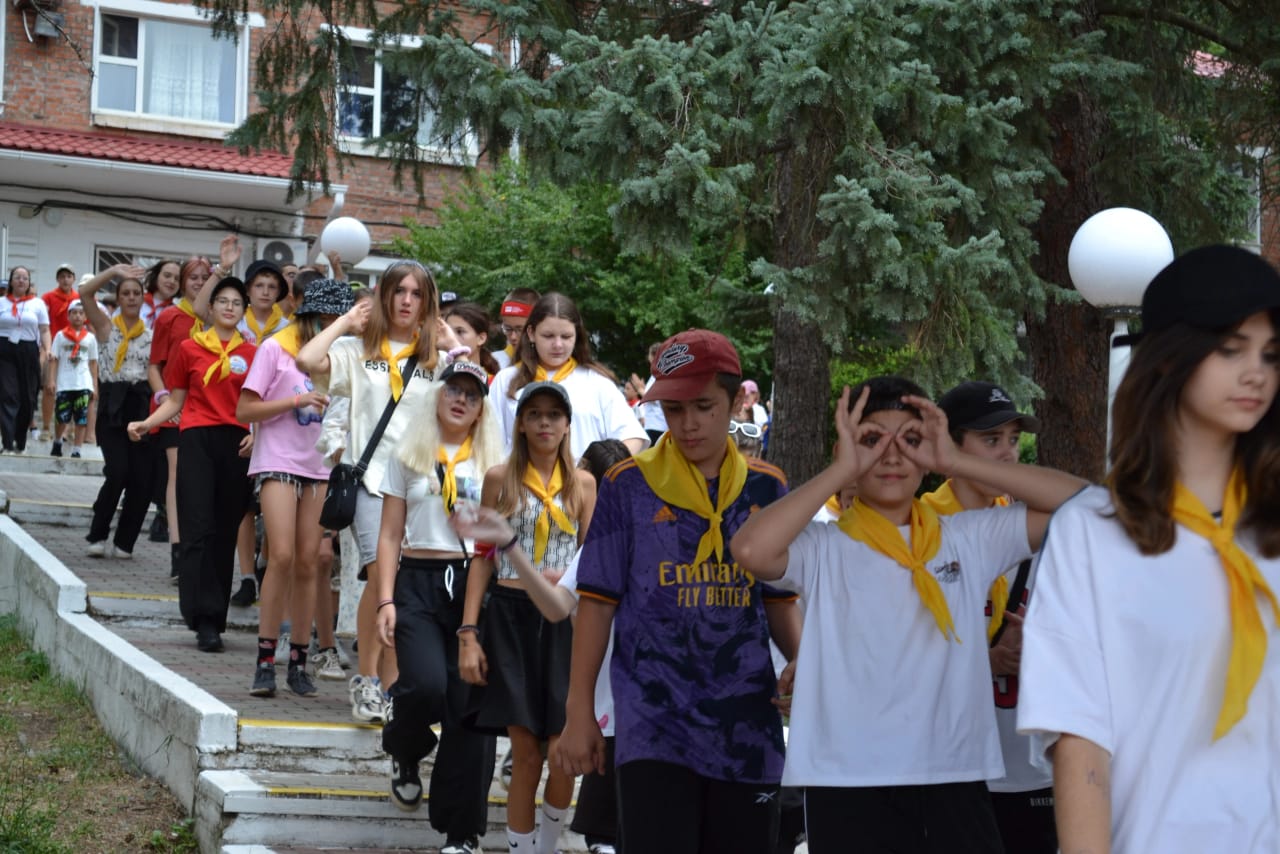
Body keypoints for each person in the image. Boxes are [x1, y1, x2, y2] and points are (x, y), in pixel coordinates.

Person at [728, 376, 1085, 854]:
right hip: (847, 778)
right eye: (872, 440)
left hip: (952, 773)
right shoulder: (824, 546)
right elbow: (750, 549)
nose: (892, 455)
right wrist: (840, 471)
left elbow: (1081, 503)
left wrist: (955, 462)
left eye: (911, 440)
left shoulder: (966, 537)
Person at [1018, 245, 1280, 854]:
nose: (1257, 373)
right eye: (1231, 348)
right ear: (1167, 357)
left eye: (1271, 354)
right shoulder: (1091, 534)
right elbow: (1079, 740)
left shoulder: (1269, 528)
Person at [556, 330, 802, 854]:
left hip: (746, 726)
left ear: (735, 403)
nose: (687, 423)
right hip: (653, 725)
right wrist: (579, 712)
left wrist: (805, 663)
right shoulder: (626, 484)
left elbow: (779, 599)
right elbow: (596, 605)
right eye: (673, 408)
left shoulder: (767, 486)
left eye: (704, 407)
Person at [453, 437, 631, 854]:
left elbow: (593, 560)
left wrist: (569, 587)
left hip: (566, 626)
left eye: (553, 415)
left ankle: (547, 846)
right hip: (511, 617)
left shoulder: (585, 489)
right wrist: (468, 631)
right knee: (526, 755)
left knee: (563, 756)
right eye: (535, 415)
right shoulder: (504, 478)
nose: (544, 424)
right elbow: (483, 556)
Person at [297, 260, 454, 724]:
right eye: (398, 291)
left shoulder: (436, 360)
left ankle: (391, 686)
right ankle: (366, 679)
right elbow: (307, 361)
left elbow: (471, 404)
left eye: (417, 294)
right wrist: (347, 319)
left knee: (403, 583)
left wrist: (453, 345)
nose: (407, 301)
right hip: (369, 482)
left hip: (419, 486)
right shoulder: (356, 349)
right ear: (383, 297)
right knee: (381, 574)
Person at [372, 360, 504, 854]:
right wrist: (386, 598)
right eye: (454, 389)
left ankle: (460, 832)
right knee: (425, 685)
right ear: (438, 394)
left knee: (469, 707)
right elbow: (389, 534)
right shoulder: (408, 454)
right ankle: (404, 747)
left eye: (472, 395)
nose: (461, 400)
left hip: (473, 583)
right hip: (419, 581)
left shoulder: (494, 463)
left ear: (481, 408)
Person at [923, 380, 1055, 854]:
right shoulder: (921, 529)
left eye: (1013, 440)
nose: (1007, 453)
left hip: (1026, 763)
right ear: (950, 446)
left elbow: (1082, 503)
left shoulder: (1029, 526)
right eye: (991, 439)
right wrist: (987, 659)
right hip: (946, 764)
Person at [238, 277, 354, 698]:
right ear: (311, 315)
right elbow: (245, 409)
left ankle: (300, 663)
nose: (333, 325)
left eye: (339, 319)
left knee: (310, 562)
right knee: (282, 555)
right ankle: (265, 661)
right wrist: (295, 401)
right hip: (277, 462)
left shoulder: (344, 357)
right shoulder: (276, 347)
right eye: (328, 318)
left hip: (321, 468)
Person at [129, 276, 256, 653]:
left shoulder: (254, 353)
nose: (230, 307)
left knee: (224, 531)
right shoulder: (189, 347)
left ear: (243, 311)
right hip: (197, 439)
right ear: (210, 308)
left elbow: (259, 402)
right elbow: (176, 399)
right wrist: (147, 423)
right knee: (197, 527)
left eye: (237, 303)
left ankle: (215, 616)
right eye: (223, 301)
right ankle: (200, 615)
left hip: (237, 444)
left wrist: (258, 434)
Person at [489, 292, 647, 459]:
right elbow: (489, 441)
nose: (558, 345)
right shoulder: (506, 381)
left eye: (566, 336)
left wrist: (601, 468)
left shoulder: (597, 383)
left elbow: (632, 436)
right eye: (548, 336)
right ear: (531, 333)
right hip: (519, 475)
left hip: (584, 476)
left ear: (577, 335)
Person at [148, 251, 217, 583]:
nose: (199, 283)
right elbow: (154, 366)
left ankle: (201, 549)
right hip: (175, 408)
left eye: (205, 278)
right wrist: (164, 398)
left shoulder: (220, 317)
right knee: (178, 477)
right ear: (182, 282)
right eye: (193, 278)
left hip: (211, 409)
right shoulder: (169, 317)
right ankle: (178, 551)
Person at [80, 265, 155, 559]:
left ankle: (125, 541)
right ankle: (98, 533)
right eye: (126, 293)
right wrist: (113, 271)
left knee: (142, 478)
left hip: (141, 405)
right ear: (119, 298)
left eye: (136, 293)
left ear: (143, 298)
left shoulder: (152, 335)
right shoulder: (105, 327)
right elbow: (85, 293)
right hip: (113, 406)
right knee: (117, 472)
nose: (132, 298)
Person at [0, 266, 50, 453]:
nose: (21, 280)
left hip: (28, 350)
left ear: (29, 283)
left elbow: (44, 329)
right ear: (11, 281)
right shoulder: (2, 302)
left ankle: (19, 441)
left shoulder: (37, 304)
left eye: (25, 278)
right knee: (8, 394)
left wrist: (47, 349)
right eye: (17, 277)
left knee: (28, 398)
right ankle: (7, 442)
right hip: (4, 349)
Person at [47, 299, 99, 458]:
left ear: (86, 317)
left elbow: (93, 363)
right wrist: (51, 379)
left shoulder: (90, 338)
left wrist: (94, 386)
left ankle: (77, 449)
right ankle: (58, 441)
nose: (77, 316)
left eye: (81, 313)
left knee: (81, 419)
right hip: (65, 383)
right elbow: (54, 359)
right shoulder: (60, 336)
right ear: (68, 316)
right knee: (61, 417)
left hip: (83, 383)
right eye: (74, 313)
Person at [40, 262, 79, 441]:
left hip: (74, 348)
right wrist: (44, 348)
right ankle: (46, 427)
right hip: (54, 347)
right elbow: (43, 324)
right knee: (49, 388)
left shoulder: (78, 298)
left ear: (73, 279)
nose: (65, 280)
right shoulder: (48, 297)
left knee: (73, 390)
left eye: (68, 276)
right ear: (57, 279)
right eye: (62, 276)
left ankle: (69, 428)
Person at [445, 301, 501, 378]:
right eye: (448, 332)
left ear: (481, 338)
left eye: (460, 331)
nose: (451, 337)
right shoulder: (439, 375)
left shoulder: (496, 381)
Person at [492, 288, 539, 370]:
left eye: (520, 330)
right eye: (508, 329)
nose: (513, 337)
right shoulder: (492, 362)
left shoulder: (550, 363)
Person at [636, 342, 668, 446]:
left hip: (657, 425)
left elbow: (654, 397)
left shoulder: (659, 375)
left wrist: (640, 390)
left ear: (653, 356)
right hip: (654, 424)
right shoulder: (656, 375)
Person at [141, 259, 181, 328]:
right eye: (167, 276)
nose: (172, 281)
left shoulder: (178, 313)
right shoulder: (135, 301)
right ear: (156, 276)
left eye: (177, 279)